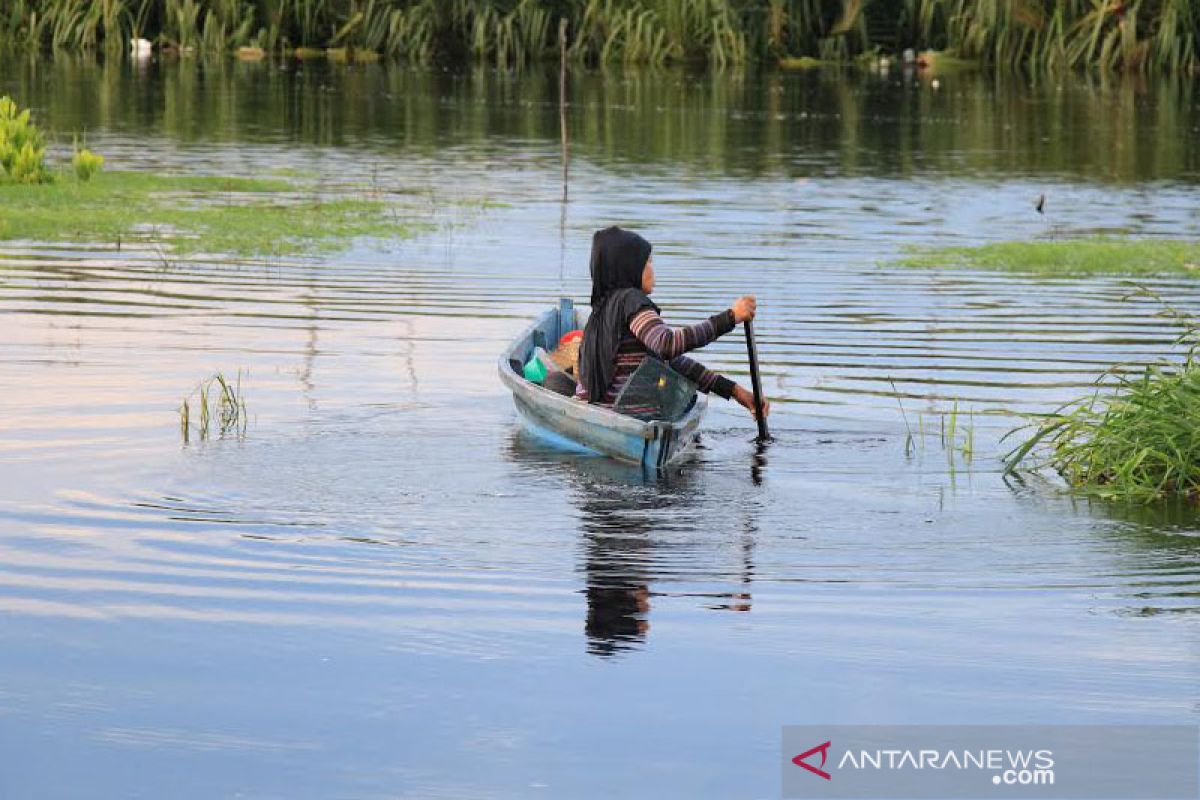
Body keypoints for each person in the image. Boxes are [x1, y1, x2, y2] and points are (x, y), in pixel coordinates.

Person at [576, 226, 770, 421]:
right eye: (648, 262)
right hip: (625, 418)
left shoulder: (602, 309)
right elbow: (667, 345)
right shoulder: (632, 301)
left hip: (592, 414)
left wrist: (735, 391)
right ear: (631, 267)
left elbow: (670, 361)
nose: (653, 270)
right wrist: (730, 317)